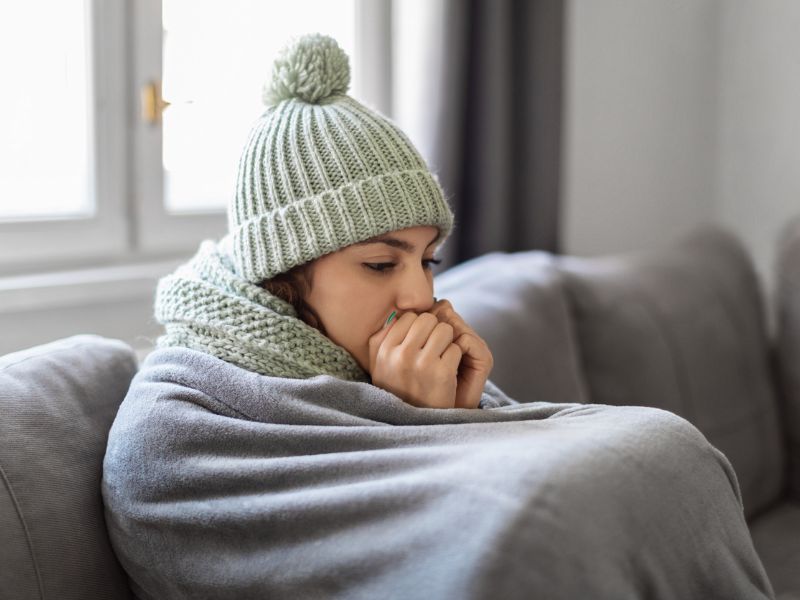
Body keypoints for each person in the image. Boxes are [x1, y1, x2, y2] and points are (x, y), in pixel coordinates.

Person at [102, 33, 775, 600]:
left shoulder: (350, 354)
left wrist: (449, 421)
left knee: (664, 446)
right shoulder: (181, 415)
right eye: (379, 264)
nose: (419, 297)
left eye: (427, 261)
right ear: (282, 272)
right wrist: (423, 428)